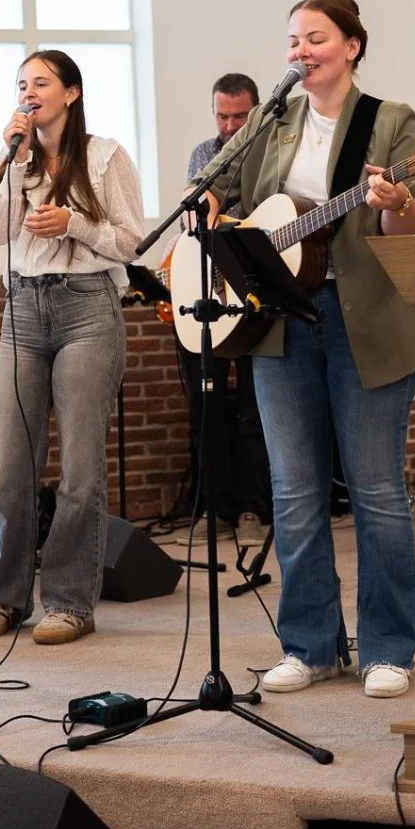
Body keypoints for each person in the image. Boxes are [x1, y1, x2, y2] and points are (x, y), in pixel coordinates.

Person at [198, 0, 415, 698]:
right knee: (294, 491)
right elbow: (220, 188)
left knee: (377, 491)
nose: (300, 50)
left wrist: (396, 203)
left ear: (352, 46)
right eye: (293, 40)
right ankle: (310, 644)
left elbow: (407, 225)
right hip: (279, 318)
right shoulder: (271, 122)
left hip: (365, 318)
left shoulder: (388, 120)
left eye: (316, 38)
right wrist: (210, 209)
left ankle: (387, 648)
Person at [0, 50, 144, 645]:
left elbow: (133, 242)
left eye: (41, 82)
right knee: (7, 467)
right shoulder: (14, 156)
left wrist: (73, 224)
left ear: (71, 92)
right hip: (22, 308)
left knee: (79, 470)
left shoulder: (104, 155)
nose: (28, 92)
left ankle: (70, 603)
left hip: (86, 307)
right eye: (21, 84)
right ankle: (7, 598)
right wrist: (14, 159)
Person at [177, 74, 272, 544]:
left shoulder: (270, 151)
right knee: (206, 409)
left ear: (257, 112)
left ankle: (253, 509)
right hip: (210, 289)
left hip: (257, 292)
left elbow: (264, 213)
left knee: (257, 408)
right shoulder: (203, 154)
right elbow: (196, 217)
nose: (231, 126)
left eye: (239, 116)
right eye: (222, 116)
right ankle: (214, 510)